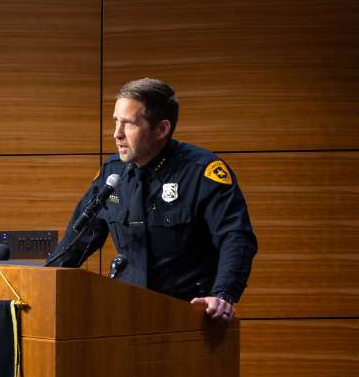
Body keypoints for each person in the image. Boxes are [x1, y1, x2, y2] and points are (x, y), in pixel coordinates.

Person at [47, 78, 257, 320]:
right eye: (116, 121)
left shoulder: (201, 172)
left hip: (186, 314)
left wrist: (222, 294)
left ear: (161, 129)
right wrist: (41, 283)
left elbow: (236, 237)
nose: (117, 134)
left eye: (129, 124)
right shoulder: (112, 174)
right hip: (123, 314)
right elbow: (76, 243)